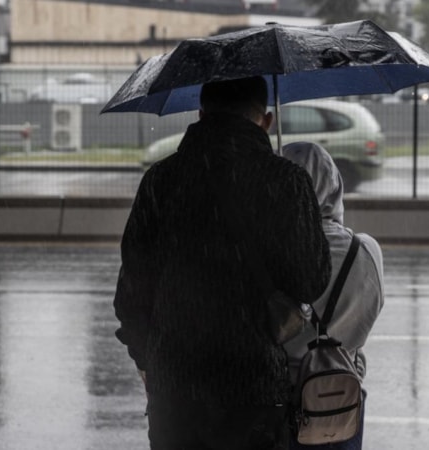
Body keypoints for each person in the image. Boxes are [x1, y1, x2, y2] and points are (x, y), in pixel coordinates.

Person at [112, 76, 331, 450]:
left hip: (175, 390)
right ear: (267, 121)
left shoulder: (160, 181)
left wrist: (148, 361)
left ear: (200, 114)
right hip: (256, 389)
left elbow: (131, 294)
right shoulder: (286, 181)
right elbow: (312, 279)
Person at [281, 141, 385, 450]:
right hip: (342, 398)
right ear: (335, 183)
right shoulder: (365, 250)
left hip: (283, 402)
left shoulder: (270, 252)